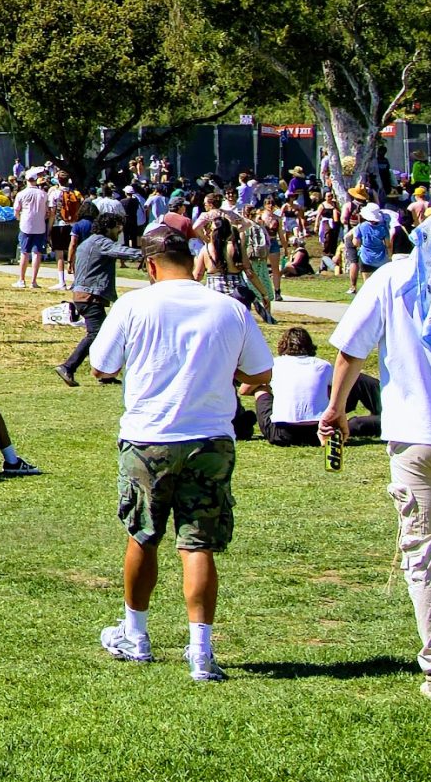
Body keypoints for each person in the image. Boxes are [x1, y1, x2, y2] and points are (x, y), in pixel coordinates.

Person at [87, 223, 274, 681]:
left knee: (143, 535)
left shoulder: (134, 305)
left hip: (149, 436)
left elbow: (100, 368)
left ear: (150, 266)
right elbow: (262, 372)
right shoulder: (229, 308)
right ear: (194, 261)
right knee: (198, 544)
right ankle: (201, 650)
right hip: (210, 437)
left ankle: (136, 634)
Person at [323, 209, 431, 695]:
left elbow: (351, 349)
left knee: (424, 553)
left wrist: (336, 407)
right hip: (423, 432)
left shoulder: (393, 278)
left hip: (417, 435)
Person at [56, 208, 134, 387]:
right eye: (118, 229)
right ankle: (68, 367)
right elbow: (121, 251)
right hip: (89, 296)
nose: (119, 233)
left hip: (83, 295)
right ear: (109, 227)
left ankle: (105, 375)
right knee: (97, 334)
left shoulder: (89, 242)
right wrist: (148, 254)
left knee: (102, 334)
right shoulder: (102, 242)